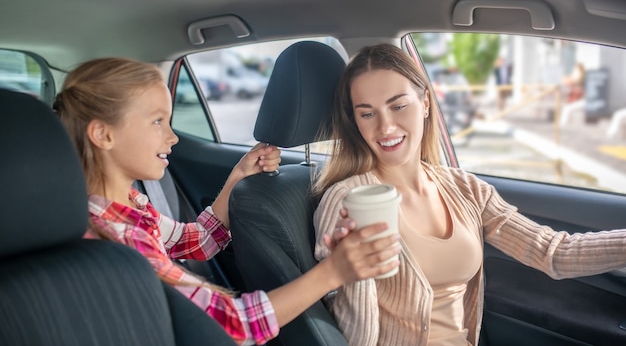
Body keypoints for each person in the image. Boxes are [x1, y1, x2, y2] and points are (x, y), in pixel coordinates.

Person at [54, 57, 401, 346]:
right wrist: (334, 272)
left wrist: (238, 177)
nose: (172, 136)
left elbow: (194, 242)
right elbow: (235, 323)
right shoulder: (115, 240)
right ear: (103, 134)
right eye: (157, 121)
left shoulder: (127, 207)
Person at [312, 43, 626, 346]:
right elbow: (351, 340)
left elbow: (553, 252)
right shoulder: (347, 200)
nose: (386, 126)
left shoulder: (465, 188)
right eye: (367, 114)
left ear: (425, 104)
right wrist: (358, 276)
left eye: (398, 106)